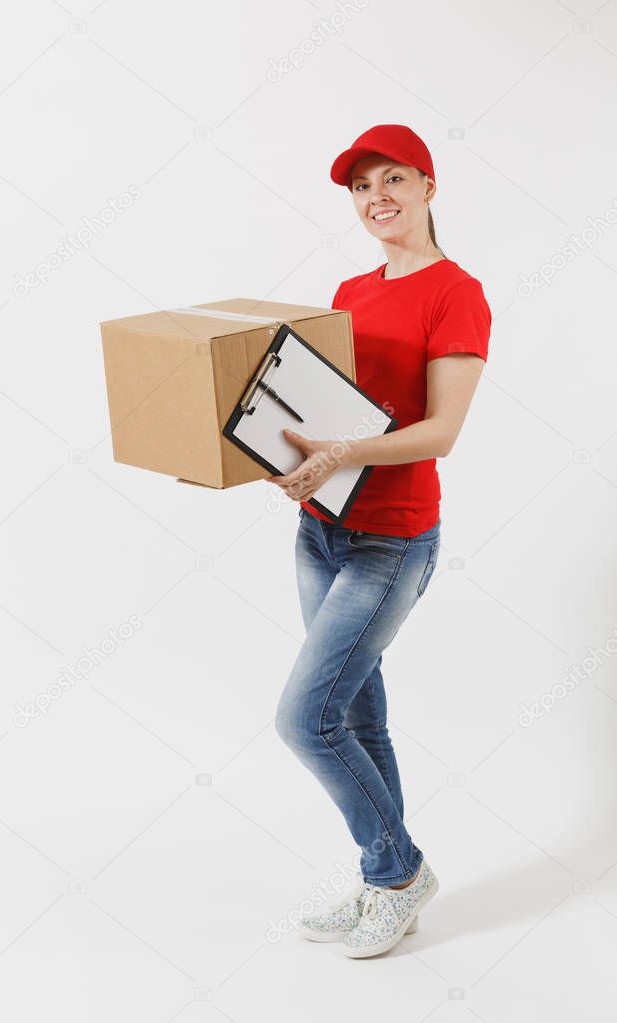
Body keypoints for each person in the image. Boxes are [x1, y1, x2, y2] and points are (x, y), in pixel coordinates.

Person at [267, 124, 492, 959]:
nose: (378, 198)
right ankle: (380, 876)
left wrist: (344, 453)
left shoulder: (455, 291)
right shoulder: (351, 288)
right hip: (319, 530)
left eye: (394, 179)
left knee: (304, 718)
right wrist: (284, 457)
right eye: (362, 188)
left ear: (430, 187)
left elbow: (440, 431)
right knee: (358, 716)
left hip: (391, 539)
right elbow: (324, 413)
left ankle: (399, 873)